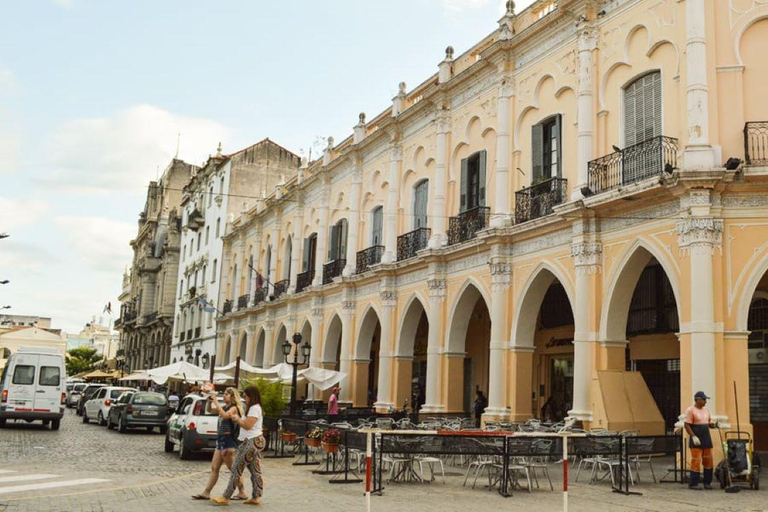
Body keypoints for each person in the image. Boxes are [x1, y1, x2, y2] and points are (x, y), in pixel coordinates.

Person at [211, 386, 266, 506]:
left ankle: (226, 497)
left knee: (236, 467)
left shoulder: (254, 409)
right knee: (254, 470)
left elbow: (247, 426)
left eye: (246, 396)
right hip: (253, 441)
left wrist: (237, 419)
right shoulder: (254, 408)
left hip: (251, 441)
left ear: (251, 396)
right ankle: (256, 496)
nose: (244, 399)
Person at [190, 388, 247, 501]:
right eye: (224, 394)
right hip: (220, 440)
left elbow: (226, 416)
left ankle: (242, 491)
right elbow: (210, 410)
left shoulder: (234, 408)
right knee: (214, 467)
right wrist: (210, 401)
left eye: (226, 394)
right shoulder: (224, 408)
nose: (224, 396)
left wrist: (216, 401)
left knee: (233, 469)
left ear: (232, 397)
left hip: (227, 440)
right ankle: (206, 492)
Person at [684, 391, 718, 490]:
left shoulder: (706, 410)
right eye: (703, 399)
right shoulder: (690, 410)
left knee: (708, 461)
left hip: (706, 439)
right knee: (696, 461)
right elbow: (687, 425)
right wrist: (693, 436)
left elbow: (709, 422)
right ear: (697, 399)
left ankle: (707, 482)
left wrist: (714, 425)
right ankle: (693, 483)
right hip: (696, 439)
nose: (705, 401)